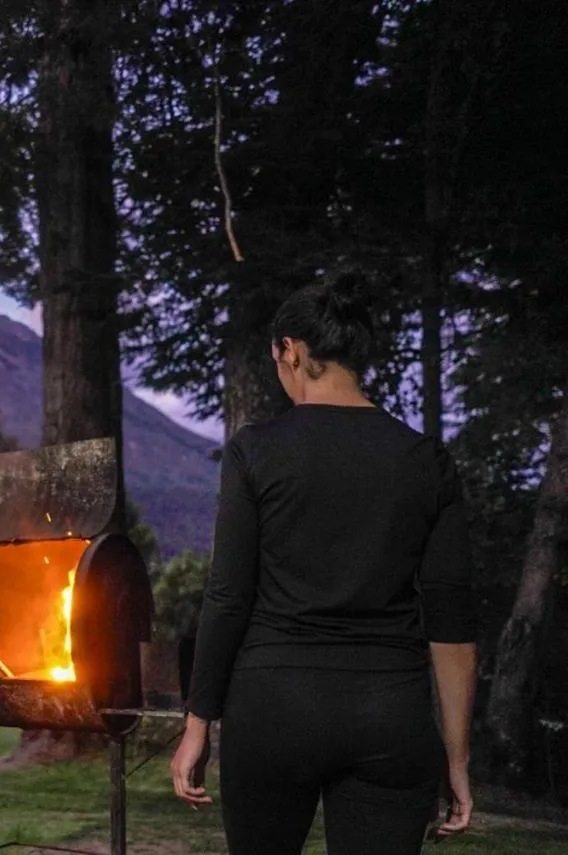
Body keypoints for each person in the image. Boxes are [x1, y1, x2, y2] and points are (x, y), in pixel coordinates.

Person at [169, 281, 479, 855]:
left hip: (272, 709)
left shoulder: (254, 452)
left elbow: (229, 595)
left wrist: (197, 725)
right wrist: (456, 759)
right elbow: (451, 621)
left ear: (291, 351)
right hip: (388, 714)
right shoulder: (426, 461)